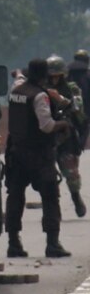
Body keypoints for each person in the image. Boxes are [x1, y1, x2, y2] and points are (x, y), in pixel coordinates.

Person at [5, 58, 72, 258]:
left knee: (15, 196)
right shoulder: (39, 96)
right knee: (50, 197)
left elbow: (17, 77)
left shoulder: (16, 90)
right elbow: (46, 126)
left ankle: (13, 243)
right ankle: (52, 244)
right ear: (44, 75)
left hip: (16, 153)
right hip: (39, 155)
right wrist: (64, 124)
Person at [48, 55, 87, 217]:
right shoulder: (41, 88)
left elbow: (78, 110)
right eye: (52, 76)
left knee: (71, 173)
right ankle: (52, 206)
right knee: (47, 176)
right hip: (47, 136)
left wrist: (61, 100)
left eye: (58, 75)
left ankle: (76, 197)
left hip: (66, 136)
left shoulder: (72, 88)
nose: (55, 79)